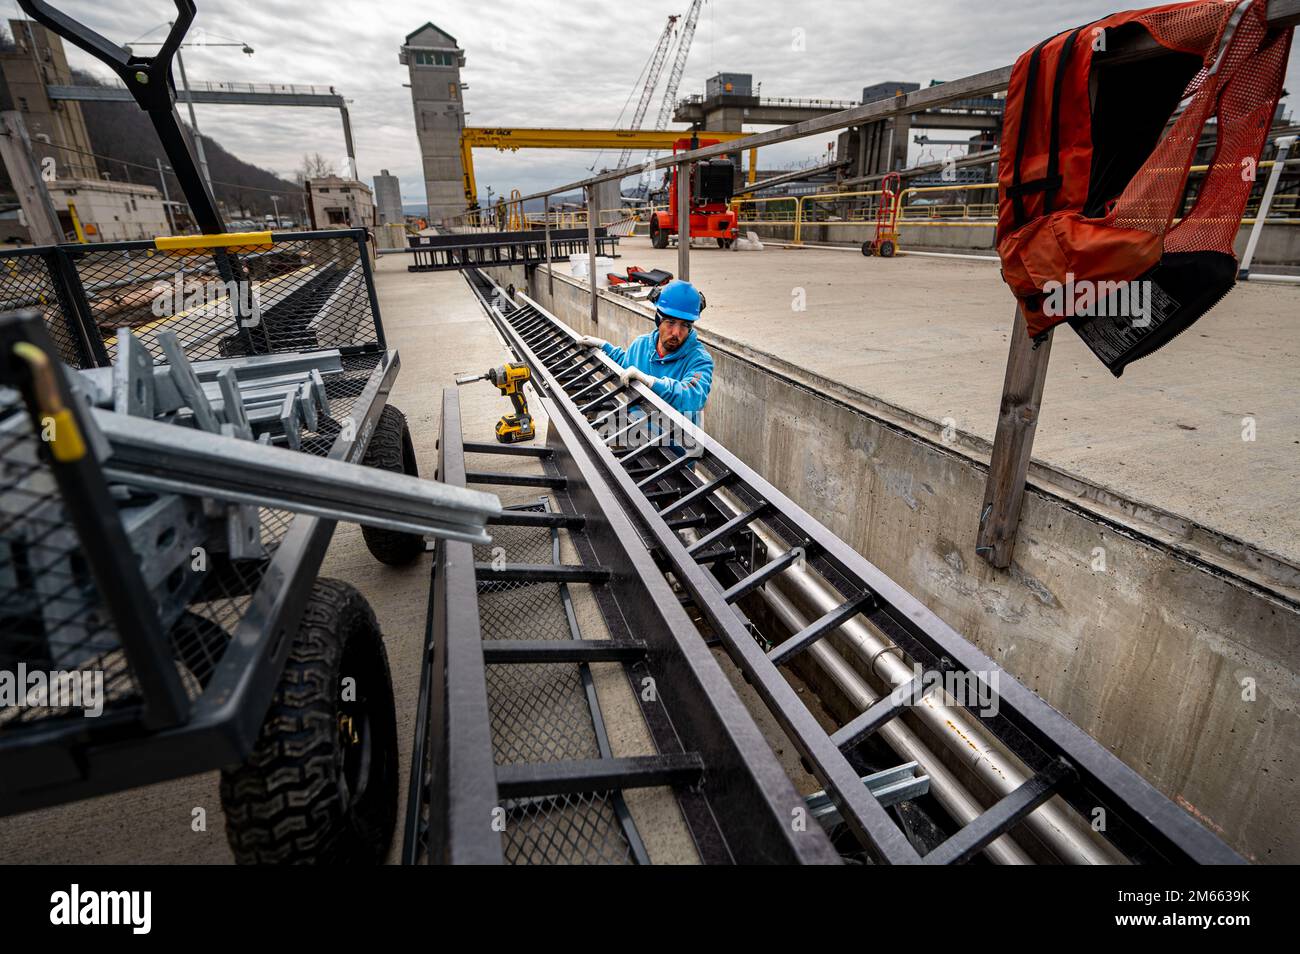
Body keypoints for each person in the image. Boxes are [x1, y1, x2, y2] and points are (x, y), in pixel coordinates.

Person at [577, 280, 713, 426]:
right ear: (658, 319)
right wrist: (603, 346)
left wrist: (651, 382)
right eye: (671, 322)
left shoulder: (699, 359)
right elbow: (626, 365)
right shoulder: (641, 345)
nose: (676, 333)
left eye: (685, 325)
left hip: (676, 445)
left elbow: (691, 397)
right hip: (637, 437)